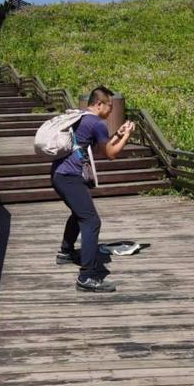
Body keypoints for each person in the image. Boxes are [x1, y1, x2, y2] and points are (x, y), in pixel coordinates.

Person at [52, 87, 136, 293]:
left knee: (80, 213)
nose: (111, 111)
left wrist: (117, 134)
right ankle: (86, 276)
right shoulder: (97, 123)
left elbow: (101, 147)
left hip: (59, 174)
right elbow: (111, 154)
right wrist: (127, 137)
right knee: (91, 221)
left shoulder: (81, 118)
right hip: (70, 177)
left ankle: (65, 253)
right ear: (99, 104)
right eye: (110, 106)